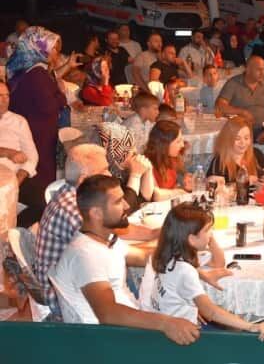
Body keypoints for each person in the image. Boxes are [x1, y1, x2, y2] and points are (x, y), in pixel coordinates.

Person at [49, 175, 200, 345]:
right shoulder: (85, 255)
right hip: (112, 341)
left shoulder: (105, 240)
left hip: (128, 327)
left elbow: (144, 256)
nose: (127, 206)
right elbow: (108, 314)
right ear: (96, 213)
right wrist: (166, 323)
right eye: (118, 201)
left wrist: (187, 248)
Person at [36, 144, 157, 316]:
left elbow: (120, 245)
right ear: (83, 179)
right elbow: (108, 314)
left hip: (81, 288)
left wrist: (157, 238)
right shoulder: (76, 210)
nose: (109, 175)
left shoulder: (72, 195)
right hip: (70, 305)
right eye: (104, 170)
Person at [139, 203, 264, 340]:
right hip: (180, 337)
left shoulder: (165, 256)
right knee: (237, 334)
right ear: (192, 239)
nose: (211, 234)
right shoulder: (185, 271)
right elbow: (210, 312)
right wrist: (250, 326)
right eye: (207, 230)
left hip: (162, 331)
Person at [6, 26, 67, 227]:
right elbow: (49, 107)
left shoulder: (23, 68)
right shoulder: (38, 74)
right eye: (54, 48)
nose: (56, 53)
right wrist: (61, 95)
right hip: (39, 134)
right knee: (40, 185)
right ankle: (30, 224)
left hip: (28, 129)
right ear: (40, 48)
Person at [216, 55, 264, 141]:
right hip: (238, 131)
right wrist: (242, 112)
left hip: (261, 130)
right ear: (248, 69)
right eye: (259, 70)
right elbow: (220, 106)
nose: (263, 73)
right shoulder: (233, 83)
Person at [95, 122, 155, 209]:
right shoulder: (101, 178)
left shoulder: (122, 173)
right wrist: (135, 175)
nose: (135, 151)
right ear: (115, 153)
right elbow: (125, 209)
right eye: (127, 148)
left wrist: (148, 170)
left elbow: (144, 199)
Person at [207, 116, 264, 185]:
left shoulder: (256, 153)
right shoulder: (220, 162)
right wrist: (246, 182)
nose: (243, 143)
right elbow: (216, 189)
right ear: (228, 139)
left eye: (246, 138)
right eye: (237, 139)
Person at [0, 81, 38, 185]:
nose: (5, 100)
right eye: (0, 96)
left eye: (7, 95)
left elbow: (32, 156)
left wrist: (17, 181)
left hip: (12, 179)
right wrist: (7, 152)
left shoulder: (19, 121)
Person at [145, 121, 192, 199]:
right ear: (164, 145)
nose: (182, 145)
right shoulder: (147, 164)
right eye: (178, 141)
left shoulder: (171, 158)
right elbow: (156, 195)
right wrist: (181, 191)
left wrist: (185, 185)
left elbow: (171, 188)